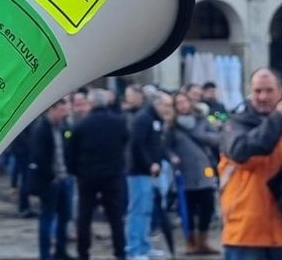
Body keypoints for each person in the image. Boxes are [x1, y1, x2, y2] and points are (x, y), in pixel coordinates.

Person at [219, 68, 282, 260]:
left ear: (281, 91)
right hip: (245, 232)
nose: (263, 96)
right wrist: (278, 118)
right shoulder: (235, 123)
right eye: (257, 91)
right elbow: (242, 150)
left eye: (269, 90)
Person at [67, 89, 129, 260]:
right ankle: (120, 251)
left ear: (91, 103)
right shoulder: (119, 122)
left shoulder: (81, 125)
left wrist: (75, 171)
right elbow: (125, 141)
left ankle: (83, 252)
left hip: (87, 175)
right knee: (115, 215)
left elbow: (70, 153)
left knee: (85, 215)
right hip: (112, 174)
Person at [167, 91, 221, 255]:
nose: (183, 105)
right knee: (187, 209)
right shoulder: (171, 126)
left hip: (204, 168)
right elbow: (166, 147)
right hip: (185, 172)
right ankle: (191, 243)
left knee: (207, 205)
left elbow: (216, 137)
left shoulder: (201, 120)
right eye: (179, 103)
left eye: (185, 102)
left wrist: (202, 135)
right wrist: (173, 157)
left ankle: (203, 241)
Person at [126, 92, 171, 260]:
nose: (168, 109)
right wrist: (149, 163)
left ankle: (144, 246)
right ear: (157, 104)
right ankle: (134, 249)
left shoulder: (155, 119)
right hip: (139, 172)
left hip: (151, 172)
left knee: (146, 211)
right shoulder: (143, 118)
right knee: (137, 211)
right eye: (166, 105)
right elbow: (137, 144)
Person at [29, 98, 73, 260]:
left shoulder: (64, 127)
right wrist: (51, 177)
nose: (64, 114)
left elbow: (68, 150)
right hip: (50, 181)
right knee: (47, 217)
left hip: (64, 179)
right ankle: (45, 255)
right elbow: (38, 156)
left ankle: (61, 251)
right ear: (52, 109)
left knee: (65, 216)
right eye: (62, 110)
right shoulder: (42, 129)